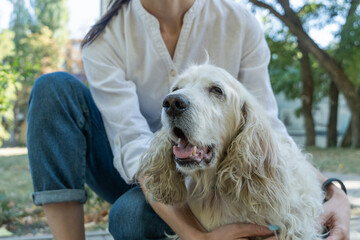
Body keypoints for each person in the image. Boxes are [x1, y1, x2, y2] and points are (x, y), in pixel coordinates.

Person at [27, 0, 350, 239]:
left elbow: (266, 126)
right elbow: (134, 148)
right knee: (52, 89)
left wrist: (331, 192)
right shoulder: (106, 36)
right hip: (146, 168)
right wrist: (197, 236)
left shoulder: (239, 22)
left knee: (131, 218)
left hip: (221, 174)